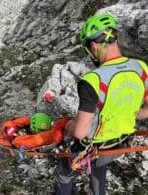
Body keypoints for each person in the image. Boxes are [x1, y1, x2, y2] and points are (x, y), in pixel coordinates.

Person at [54, 13, 148, 195]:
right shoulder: (141, 68)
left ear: (94, 46)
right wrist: (128, 113)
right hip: (121, 144)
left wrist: (68, 124)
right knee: (99, 167)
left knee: (63, 173)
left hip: (96, 147)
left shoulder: (93, 80)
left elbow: (80, 132)